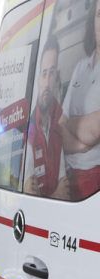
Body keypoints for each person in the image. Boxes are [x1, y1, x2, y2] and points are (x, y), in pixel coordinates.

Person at [59, 0, 100, 200]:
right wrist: (83, 142)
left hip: (94, 178)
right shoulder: (81, 67)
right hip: (68, 174)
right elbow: (60, 123)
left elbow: (95, 129)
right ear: (93, 20)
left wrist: (71, 124)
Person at [24, 37, 70, 198]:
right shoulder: (26, 129)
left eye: (51, 73)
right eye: (43, 74)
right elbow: (28, 194)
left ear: (57, 78)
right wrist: (55, 196)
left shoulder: (61, 120)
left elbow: (65, 188)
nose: (47, 83)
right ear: (36, 79)